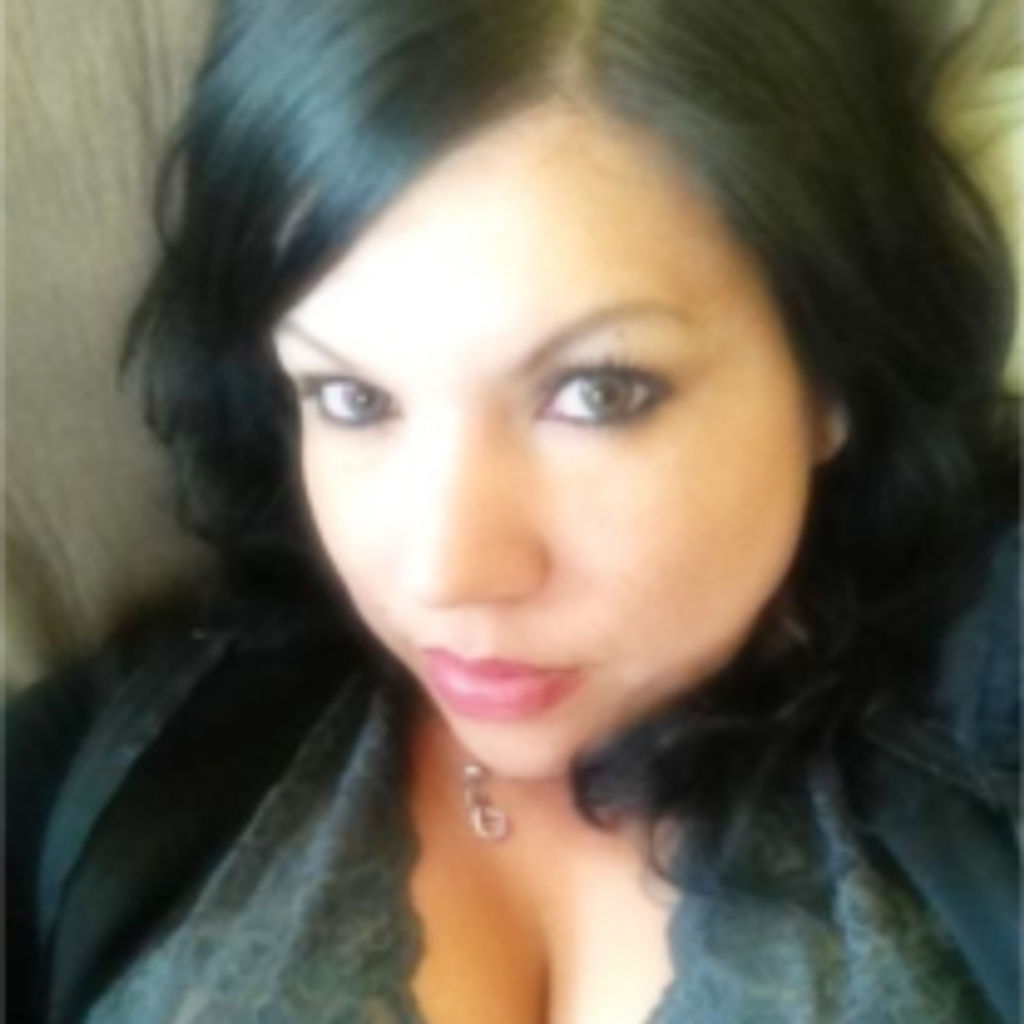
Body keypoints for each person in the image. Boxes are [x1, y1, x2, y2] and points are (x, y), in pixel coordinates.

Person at [2, 0, 1021, 1022]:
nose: (442, 574)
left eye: (599, 392)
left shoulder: (991, 676)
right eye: (351, 398)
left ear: (831, 373)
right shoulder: (112, 758)